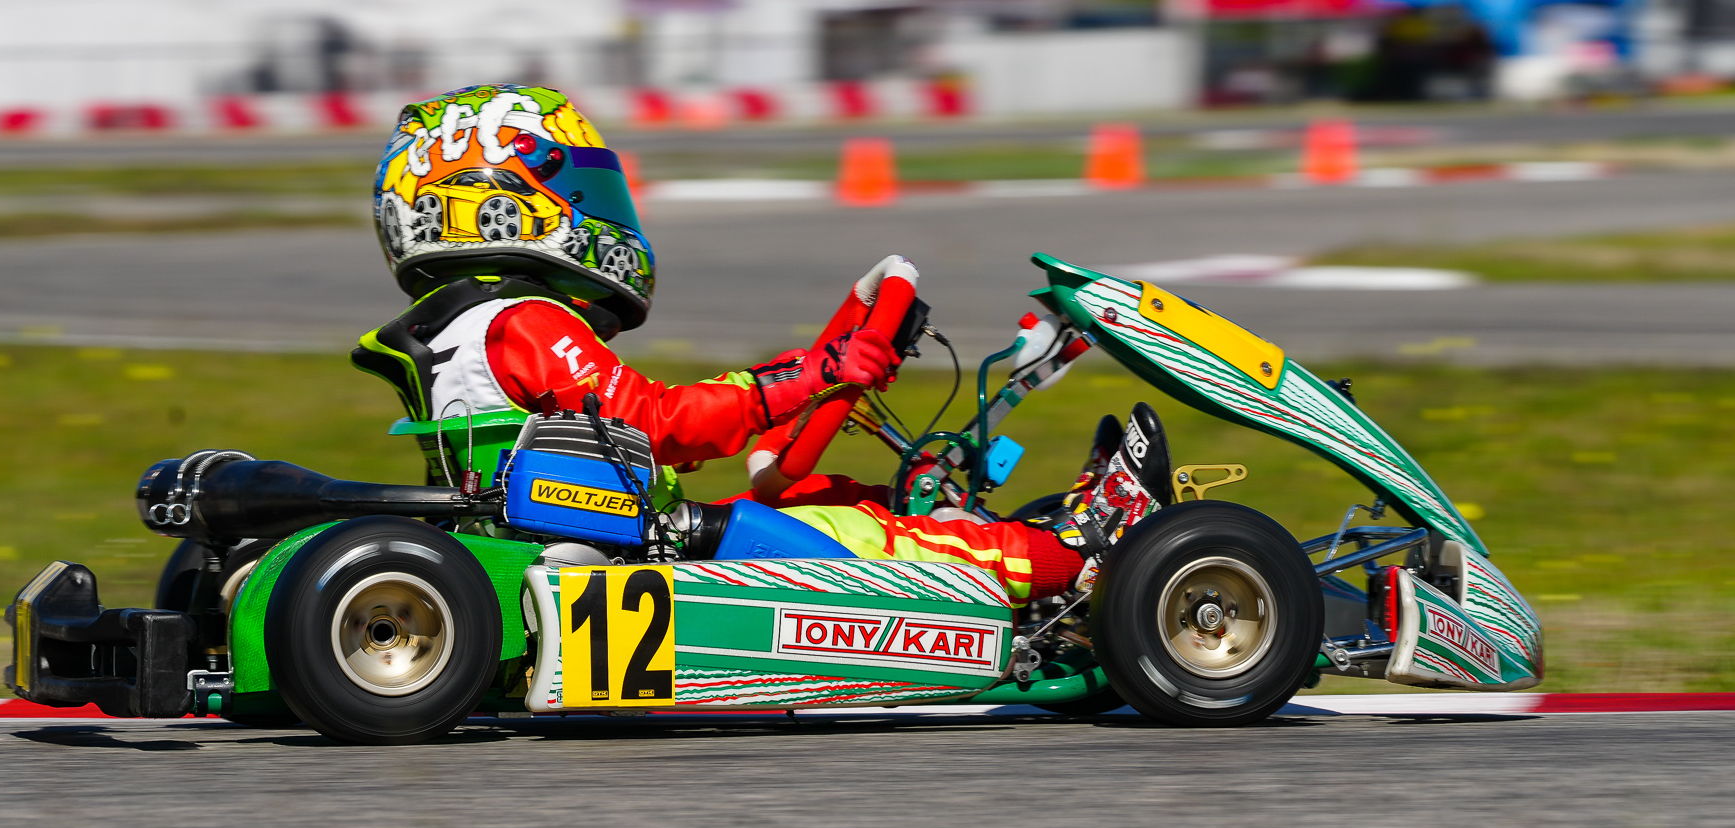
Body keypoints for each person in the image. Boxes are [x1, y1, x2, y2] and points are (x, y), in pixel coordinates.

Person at [355, 84, 1165, 603]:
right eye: (576, 191)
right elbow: (657, 427)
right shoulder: (521, 321)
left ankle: (1036, 544)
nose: (596, 210)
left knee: (830, 498)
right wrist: (812, 375)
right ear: (498, 203)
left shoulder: (460, 326)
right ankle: (1084, 555)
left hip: (592, 535)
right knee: (879, 540)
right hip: (632, 548)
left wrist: (804, 383)